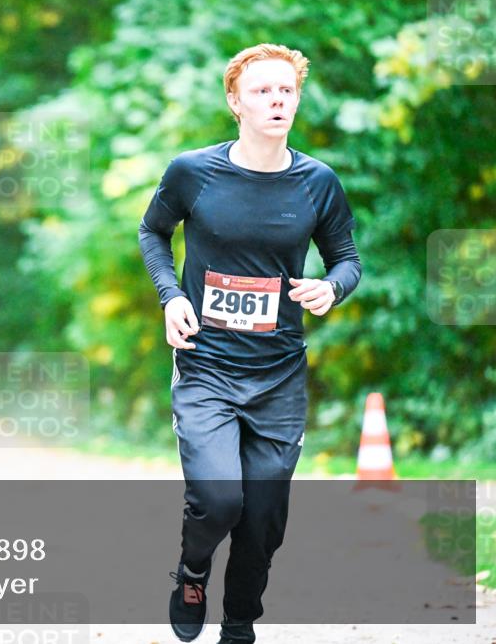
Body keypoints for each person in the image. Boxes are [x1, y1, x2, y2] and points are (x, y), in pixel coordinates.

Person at [138, 44, 361, 644]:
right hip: (206, 364)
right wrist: (172, 296)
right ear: (235, 102)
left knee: (262, 519)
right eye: (262, 90)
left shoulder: (318, 182)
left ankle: (239, 625)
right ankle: (191, 574)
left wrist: (331, 288)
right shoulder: (193, 172)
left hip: (279, 374)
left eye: (286, 90)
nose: (277, 100)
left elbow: (346, 259)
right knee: (219, 498)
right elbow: (153, 232)